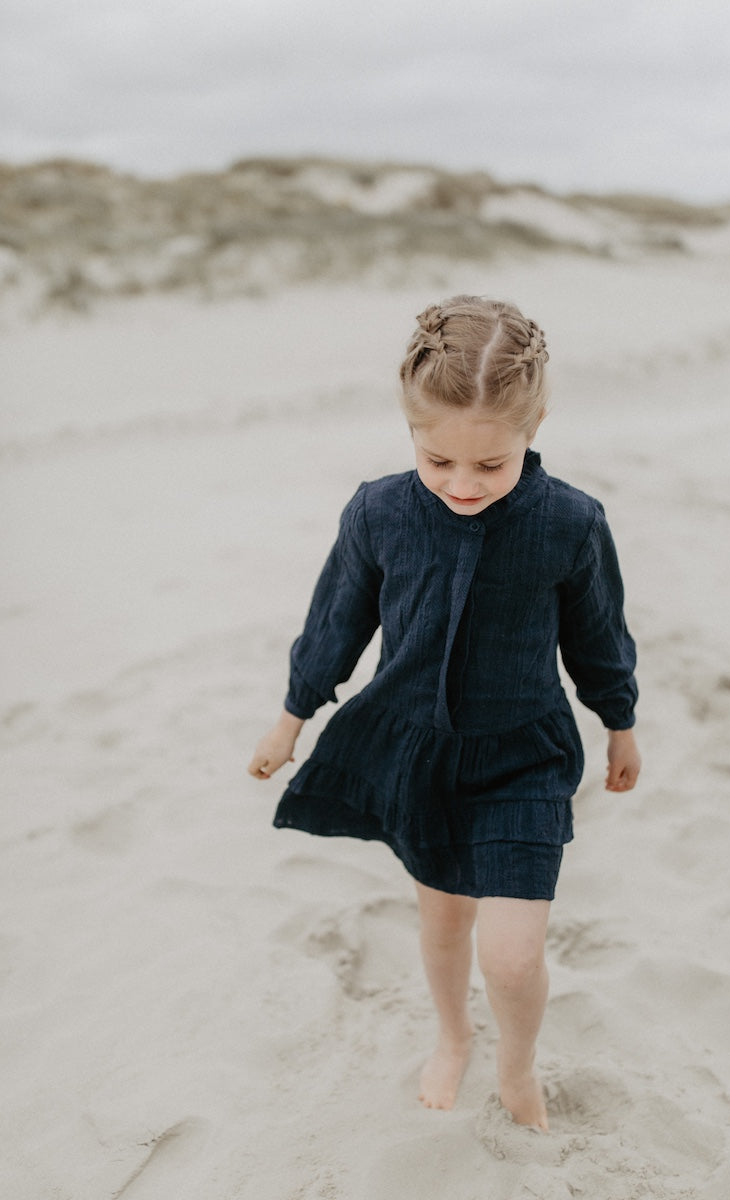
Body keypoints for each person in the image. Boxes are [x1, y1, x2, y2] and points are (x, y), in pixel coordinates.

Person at [248, 295, 641, 1130]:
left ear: (535, 423)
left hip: (524, 759)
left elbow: (599, 636)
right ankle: (452, 1036)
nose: (464, 484)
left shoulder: (571, 524)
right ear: (411, 431)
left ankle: (517, 1063)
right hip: (418, 755)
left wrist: (619, 720)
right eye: (438, 463)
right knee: (442, 921)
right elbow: (338, 620)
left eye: (490, 466)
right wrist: (293, 715)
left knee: (512, 951)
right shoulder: (379, 512)